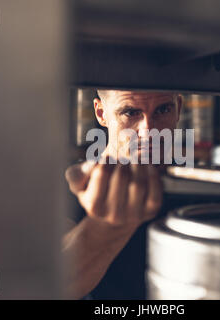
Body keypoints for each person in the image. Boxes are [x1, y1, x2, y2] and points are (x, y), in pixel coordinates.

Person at [62, 90, 183, 299]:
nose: (148, 131)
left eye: (163, 110)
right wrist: (104, 229)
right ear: (101, 113)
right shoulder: (69, 192)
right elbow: (44, 285)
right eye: (130, 112)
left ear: (178, 108)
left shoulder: (205, 190)